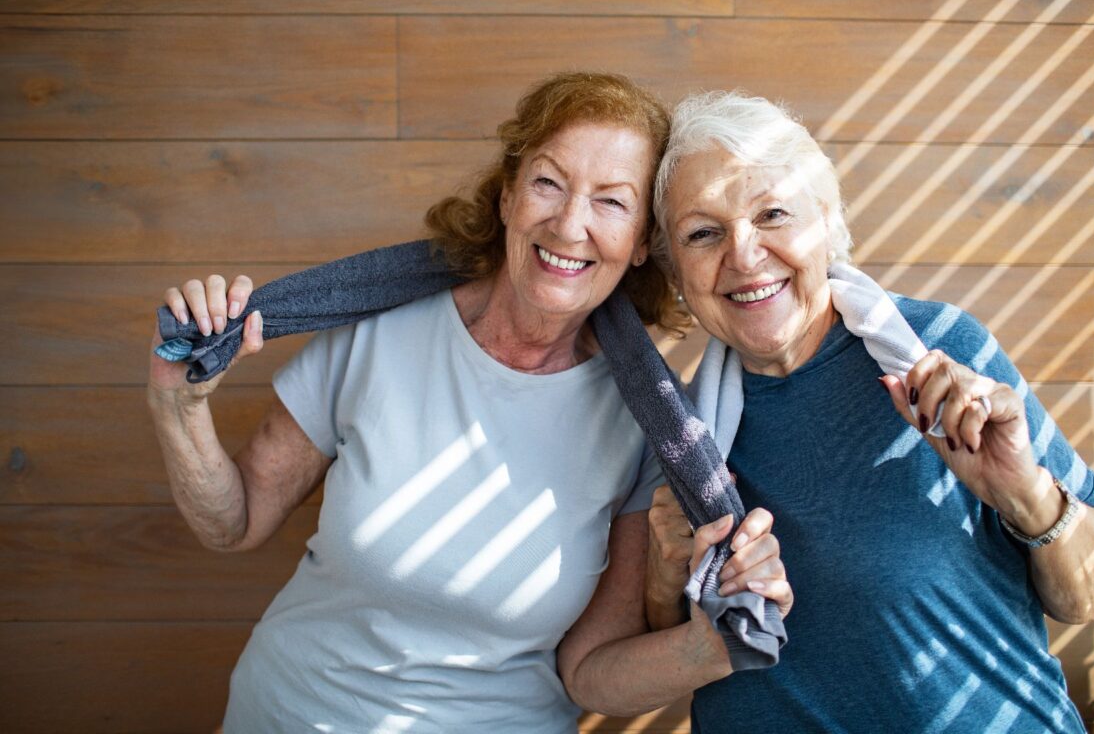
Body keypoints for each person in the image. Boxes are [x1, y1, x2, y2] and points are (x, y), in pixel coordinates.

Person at [146, 72, 788, 733]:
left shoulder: (650, 425)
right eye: (548, 183)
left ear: (642, 246)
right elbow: (237, 521)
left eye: (611, 203)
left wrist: (717, 641)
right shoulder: (377, 330)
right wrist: (179, 407)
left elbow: (591, 673)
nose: (570, 224)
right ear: (508, 197)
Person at [641, 91, 1094, 733]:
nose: (743, 255)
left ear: (825, 222)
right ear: (673, 268)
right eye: (703, 233)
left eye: (772, 214)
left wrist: (1026, 495)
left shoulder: (940, 356)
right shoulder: (686, 431)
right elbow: (673, 656)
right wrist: (664, 574)